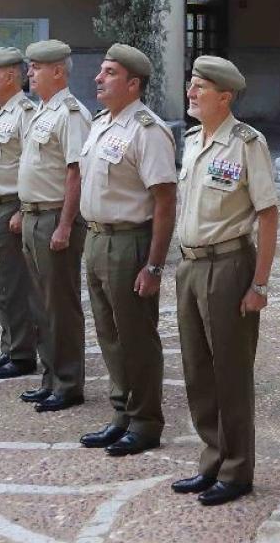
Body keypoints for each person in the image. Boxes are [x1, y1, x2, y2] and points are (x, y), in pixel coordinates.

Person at [169, 56, 277, 508]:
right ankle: (211, 458)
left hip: (229, 265)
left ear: (225, 96)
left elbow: (268, 215)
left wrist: (260, 285)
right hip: (190, 267)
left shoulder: (246, 144)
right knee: (197, 370)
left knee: (230, 371)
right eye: (191, 86)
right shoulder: (194, 141)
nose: (191, 93)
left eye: (199, 87)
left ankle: (237, 470)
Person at [75, 43, 176, 450]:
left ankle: (146, 422)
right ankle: (121, 411)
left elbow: (165, 201)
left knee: (136, 335)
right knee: (108, 334)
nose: (99, 79)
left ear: (133, 84)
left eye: (110, 73)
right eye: (101, 71)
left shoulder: (147, 130)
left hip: (129, 243)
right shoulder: (101, 124)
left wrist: (154, 266)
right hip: (97, 239)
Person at [14, 39, 94, 413]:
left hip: (53, 218)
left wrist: (65, 225)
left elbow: (75, 173)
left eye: (36, 67)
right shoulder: (42, 111)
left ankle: (67, 381)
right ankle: (50, 376)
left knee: (60, 303)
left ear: (58, 71)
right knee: (41, 303)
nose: (29, 73)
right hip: (34, 215)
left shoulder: (70, 113)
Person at [0, 47, 42, 379]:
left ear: (11, 76)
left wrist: (21, 209)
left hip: (9, 208)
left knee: (15, 282)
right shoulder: (0, 111)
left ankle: (23, 352)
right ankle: (10, 346)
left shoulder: (24, 113)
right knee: (1, 283)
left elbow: (31, 166)